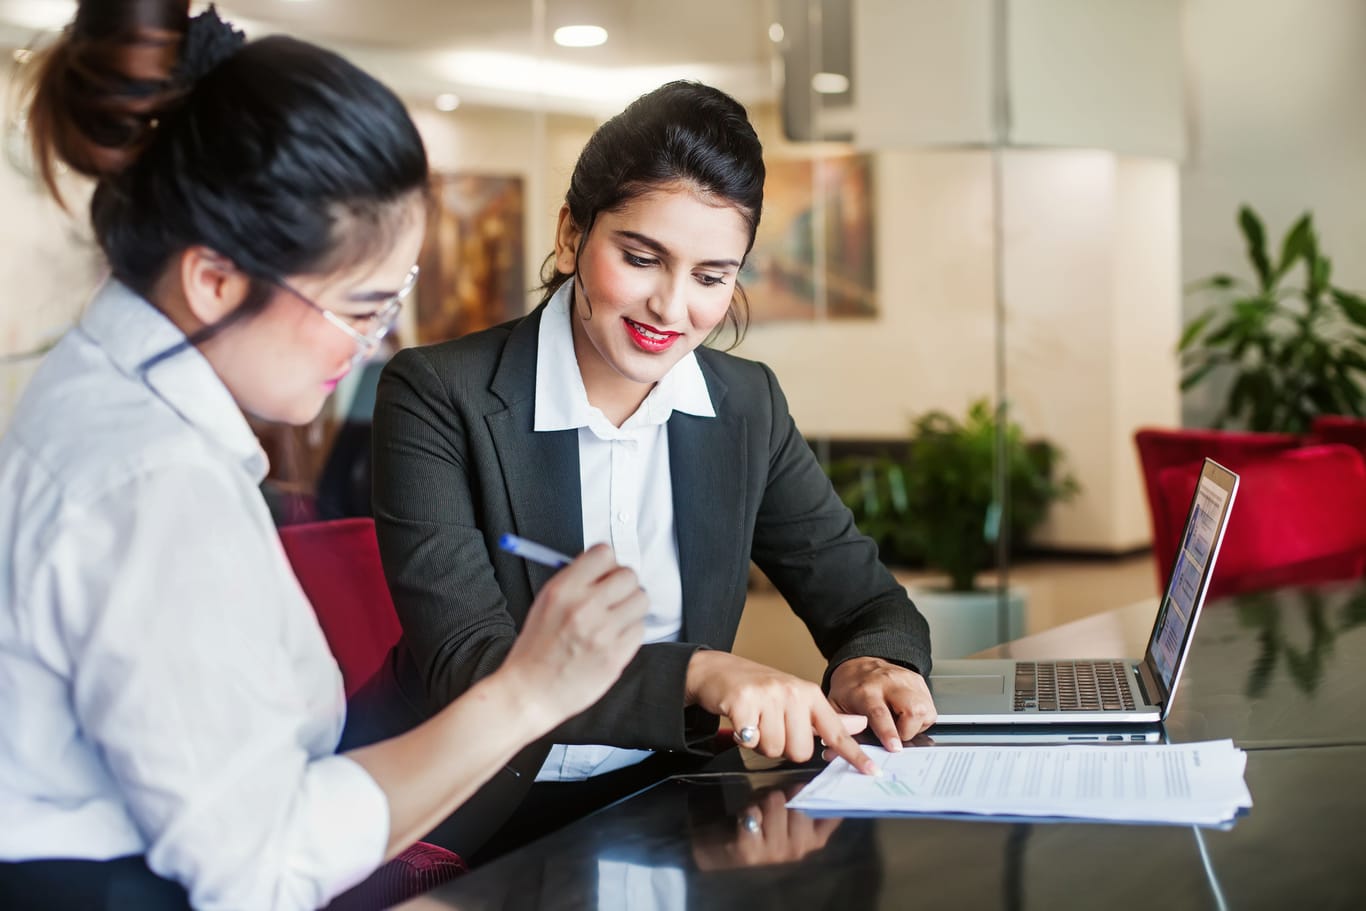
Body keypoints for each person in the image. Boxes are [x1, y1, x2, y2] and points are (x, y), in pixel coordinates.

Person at [0, 3, 646, 909]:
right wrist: (528, 693)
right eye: (357, 307)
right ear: (215, 278)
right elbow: (256, 865)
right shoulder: (153, 486)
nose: (371, 345)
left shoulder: (104, 397)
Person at [366, 79, 938, 860]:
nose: (671, 306)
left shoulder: (746, 406)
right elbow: (470, 665)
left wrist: (876, 665)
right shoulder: (437, 394)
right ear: (571, 236)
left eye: (711, 276)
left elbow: (866, 600)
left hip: (673, 801)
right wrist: (700, 674)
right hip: (476, 812)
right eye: (642, 258)